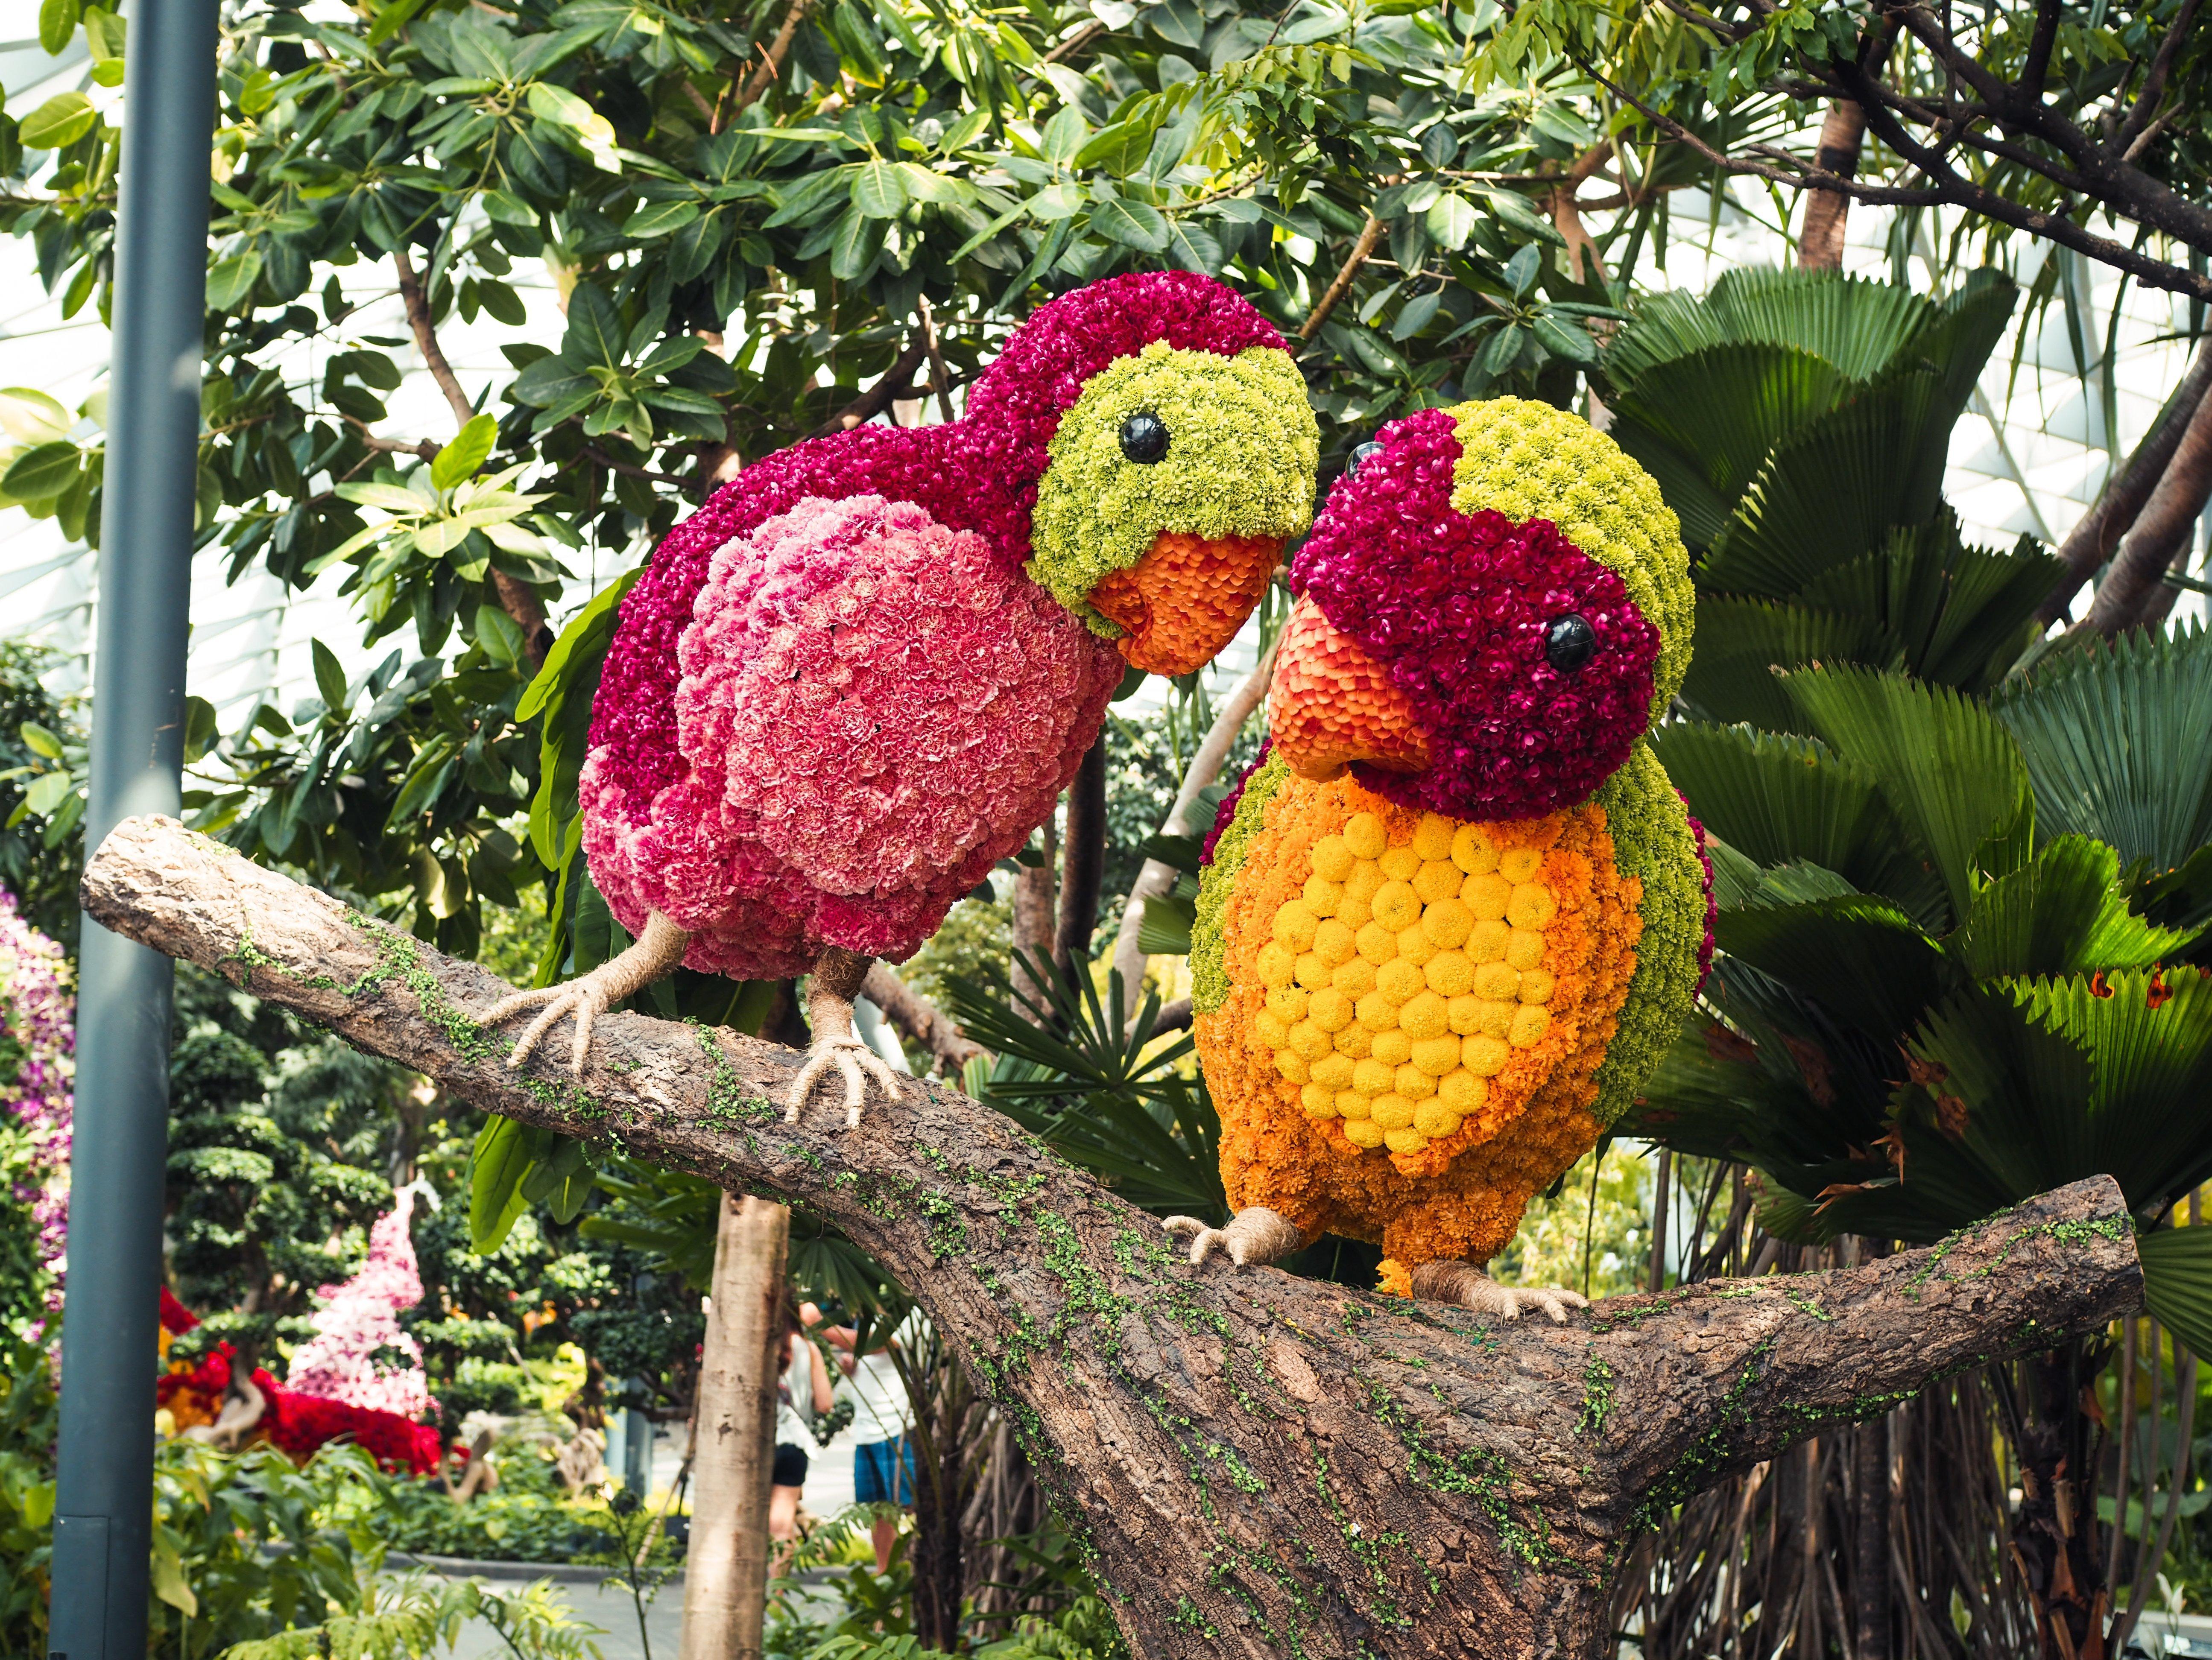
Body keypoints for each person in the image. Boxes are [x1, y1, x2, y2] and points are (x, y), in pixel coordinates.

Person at [820, 1309, 916, 1574]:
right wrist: (852, 1366)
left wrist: (820, 1326)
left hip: (899, 1425)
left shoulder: (908, 1309)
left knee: (909, 1507)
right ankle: (884, 1577)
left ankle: (912, 1581)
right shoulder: (864, 1315)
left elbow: (881, 1344)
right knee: (877, 1511)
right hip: (866, 1429)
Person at [770, 1301, 837, 1571]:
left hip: (755, 1442)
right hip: (794, 1443)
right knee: (782, 1527)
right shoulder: (809, 1349)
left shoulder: (753, 1342)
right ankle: (777, 1602)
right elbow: (825, 1404)